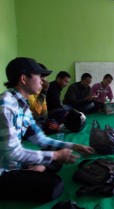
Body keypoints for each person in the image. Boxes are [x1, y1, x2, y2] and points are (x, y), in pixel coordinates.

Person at [0, 57, 94, 203]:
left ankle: (30, 171)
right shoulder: (6, 106)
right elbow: (13, 152)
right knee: (54, 186)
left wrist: (73, 146)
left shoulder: (22, 105)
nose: (43, 82)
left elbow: (40, 139)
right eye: (39, 77)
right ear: (24, 79)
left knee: (54, 163)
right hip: (3, 169)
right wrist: (55, 155)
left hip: (13, 162)